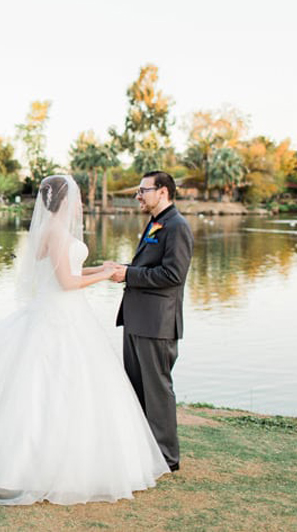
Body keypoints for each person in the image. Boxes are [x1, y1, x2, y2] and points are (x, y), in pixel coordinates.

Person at [0, 175, 170, 506]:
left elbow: (65, 269)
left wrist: (101, 266)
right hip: (60, 312)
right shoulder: (54, 231)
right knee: (51, 384)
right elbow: (67, 282)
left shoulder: (51, 229)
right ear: (64, 200)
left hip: (64, 311)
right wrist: (104, 275)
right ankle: (29, 466)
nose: (80, 203)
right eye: (77, 197)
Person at [107, 171, 194, 473]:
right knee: (137, 389)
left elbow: (173, 275)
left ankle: (166, 458)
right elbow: (148, 266)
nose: (138, 196)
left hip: (157, 323)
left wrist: (129, 274)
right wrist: (123, 269)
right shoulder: (156, 222)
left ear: (163, 192)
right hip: (137, 319)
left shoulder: (177, 227)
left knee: (157, 392)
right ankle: (144, 453)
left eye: (143, 191)